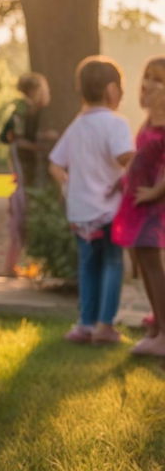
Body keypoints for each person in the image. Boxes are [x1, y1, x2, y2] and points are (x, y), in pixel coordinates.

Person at [49, 56, 133, 344]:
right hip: (108, 212)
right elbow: (126, 158)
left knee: (88, 266)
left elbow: (55, 164)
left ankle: (84, 324)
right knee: (112, 263)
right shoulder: (115, 124)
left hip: (81, 212)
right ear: (112, 90)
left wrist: (67, 184)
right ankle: (105, 326)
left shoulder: (77, 126)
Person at [112, 57, 165, 356]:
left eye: (158, 79)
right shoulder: (150, 119)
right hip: (138, 200)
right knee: (144, 262)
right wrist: (123, 180)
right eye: (147, 77)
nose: (149, 84)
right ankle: (156, 325)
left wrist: (155, 191)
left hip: (154, 205)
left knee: (152, 263)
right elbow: (141, 155)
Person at [2, 72, 52, 276]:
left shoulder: (28, 110)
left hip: (27, 166)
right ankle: (12, 265)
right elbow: (14, 138)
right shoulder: (22, 110)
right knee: (23, 213)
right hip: (24, 166)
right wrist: (37, 146)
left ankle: (21, 263)